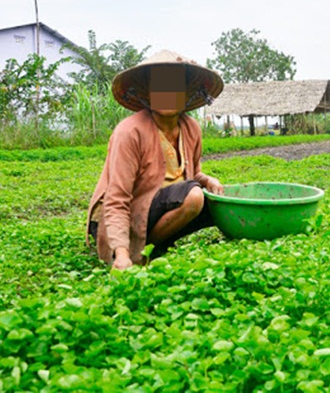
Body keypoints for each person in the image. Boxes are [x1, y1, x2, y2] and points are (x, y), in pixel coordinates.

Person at [86, 50, 225, 270]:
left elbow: (192, 174)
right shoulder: (129, 132)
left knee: (218, 201)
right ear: (148, 92)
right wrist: (121, 253)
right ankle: (140, 251)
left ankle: (154, 242)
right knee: (194, 195)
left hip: (160, 205)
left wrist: (209, 180)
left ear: (186, 92)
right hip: (124, 216)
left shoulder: (191, 128)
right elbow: (117, 198)